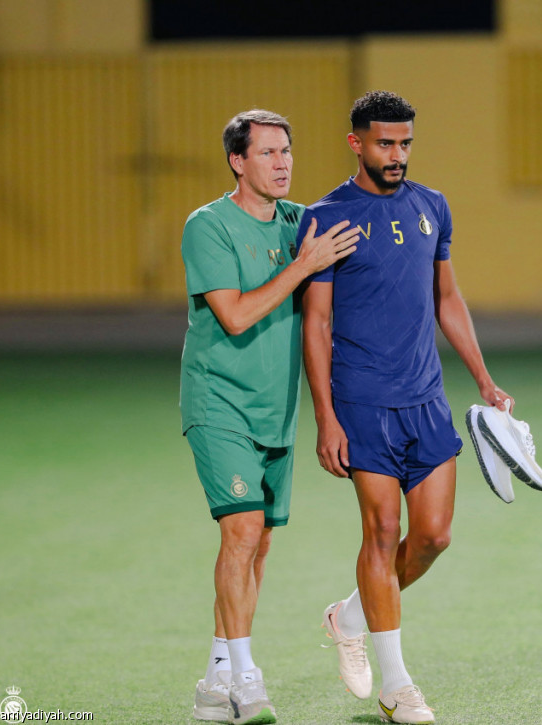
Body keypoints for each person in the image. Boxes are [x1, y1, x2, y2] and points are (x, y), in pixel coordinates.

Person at [300, 90, 511, 725]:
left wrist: (484, 380)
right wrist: (326, 417)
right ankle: (397, 686)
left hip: (426, 398)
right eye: (385, 143)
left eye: (405, 143)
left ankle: (348, 615)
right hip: (362, 401)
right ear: (356, 143)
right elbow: (316, 323)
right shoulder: (326, 217)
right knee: (381, 531)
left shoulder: (432, 206)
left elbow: (447, 298)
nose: (397, 155)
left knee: (433, 537)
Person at [181, 109, 359, 725]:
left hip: (275, 410)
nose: (282, 164)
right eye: (267, 153)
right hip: (219, 402)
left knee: (258, 546)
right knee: (242, 530)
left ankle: (214, 681)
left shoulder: (301, 223)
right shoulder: (208, 226)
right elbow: (234, 315)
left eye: (287, 151)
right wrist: (303, 265)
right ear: (237, 161)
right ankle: (247, 681)